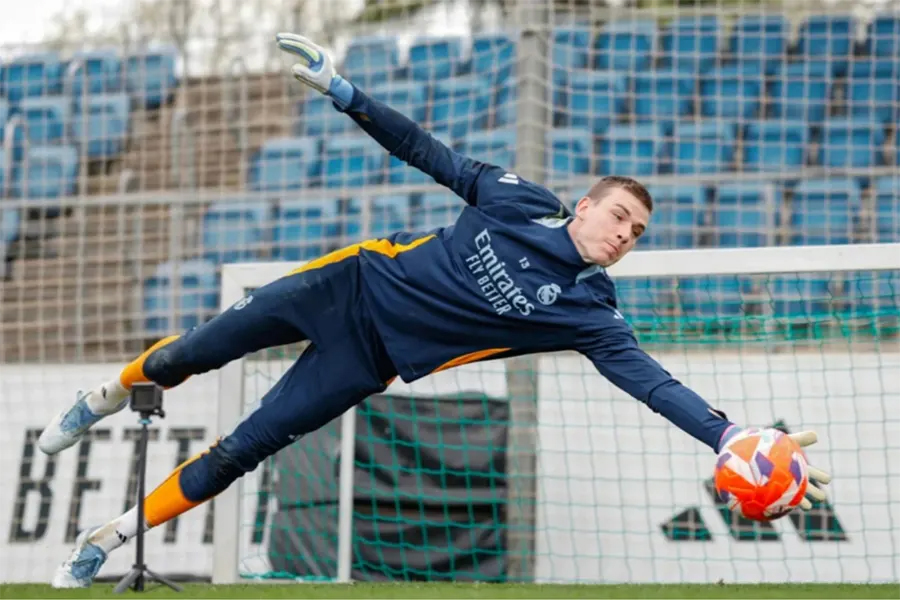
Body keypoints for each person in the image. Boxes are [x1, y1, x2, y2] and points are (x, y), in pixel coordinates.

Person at [42, 33, 831, 588]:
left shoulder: (590, 310)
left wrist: (729, 436)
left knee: (241, 451)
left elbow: (653, 383)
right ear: (586, 206)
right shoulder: (520, 200)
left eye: (638, 232)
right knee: (187, 356)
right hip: (346, 285)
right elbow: (428, 152)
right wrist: (346, 94)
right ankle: (104, 394)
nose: (626, 235)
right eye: (620, 217)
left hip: (369, 361)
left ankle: (104, 540)